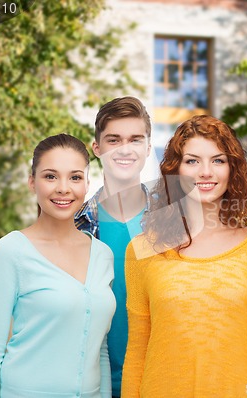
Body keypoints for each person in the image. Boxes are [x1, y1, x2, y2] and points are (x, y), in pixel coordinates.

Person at [122, 115, 247, 397]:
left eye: (218, 160)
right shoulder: (142, 249)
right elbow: (138, 348)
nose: (205, 172)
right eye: (192, 161)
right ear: (175, 170)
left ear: (233, 169)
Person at [0, 134, 116, 397]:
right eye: (50, 176)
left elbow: (101, 349)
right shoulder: (12, 251)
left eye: (74, 177)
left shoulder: (103, 255)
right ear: (32, 182)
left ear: (86, 184)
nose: (63, 188)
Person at [75, 96, 152, 398]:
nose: (124, 149)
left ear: (147, 148)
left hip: (161, 379)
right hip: (93, 385)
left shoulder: (176, 222)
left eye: (135, 139)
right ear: (97, 149)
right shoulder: (75, 225)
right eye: (113, 139)